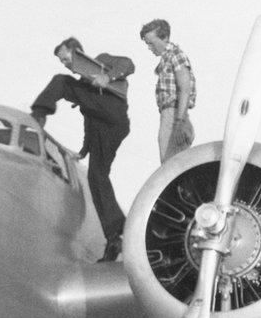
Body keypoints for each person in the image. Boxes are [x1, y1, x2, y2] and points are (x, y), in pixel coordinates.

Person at [30, 37, 133, 262]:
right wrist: (84, 150)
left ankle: (38, 114)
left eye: (67, 58)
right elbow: (90, 121)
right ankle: (116, 235)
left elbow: (128, 63)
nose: (66, 64)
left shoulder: (102, 61)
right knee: (97, 178)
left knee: (61, 82)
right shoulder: (87, 88)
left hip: (113, 114)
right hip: (106, 129)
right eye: (62, 61)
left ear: (77, 52)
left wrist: (108, 76)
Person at [140, 19, 196, 162]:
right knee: (170, 167)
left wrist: (179, 122)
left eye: (151, 43)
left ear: (164, 37)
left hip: (174, 114)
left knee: (172, 169)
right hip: (170, 115)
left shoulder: (176, 55)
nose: (149, 47)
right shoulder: (166, 59)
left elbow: (185, 88)